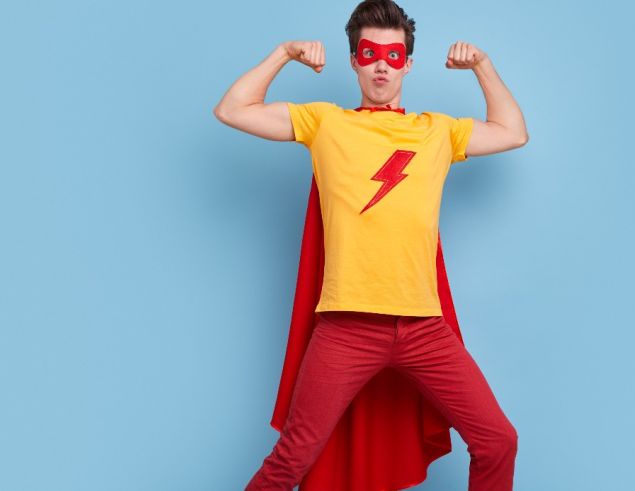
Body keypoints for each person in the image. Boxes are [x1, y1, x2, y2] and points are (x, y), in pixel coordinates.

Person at [213, 1, 528, 489]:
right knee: (292, 458)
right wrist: (284, 53)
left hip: (424, 327)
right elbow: (232, 109)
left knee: (497, 439)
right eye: (370, 52)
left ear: (407, 64)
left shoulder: (437, 131)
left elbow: (513, 132)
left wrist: (482, 67)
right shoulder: (326, 123)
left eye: (394, 55)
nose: (382, 64)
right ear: (356, 61)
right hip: (346, 327)